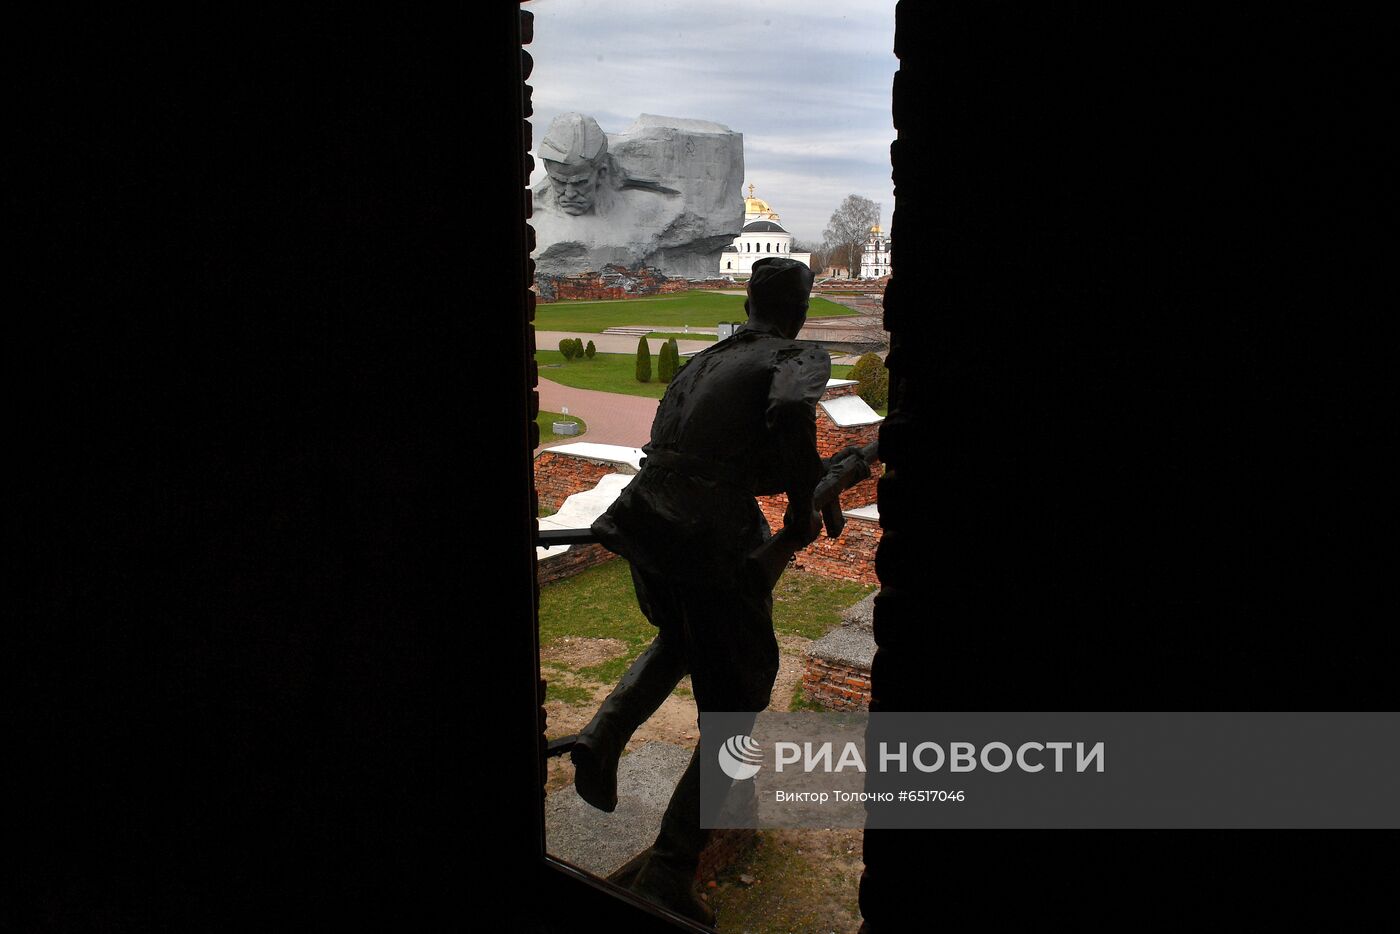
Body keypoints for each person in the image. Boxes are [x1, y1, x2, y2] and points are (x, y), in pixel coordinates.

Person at [573, 256, 830, 924]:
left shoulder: (708, 358)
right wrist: (804, 505)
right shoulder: (795, 352)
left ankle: (602, 734)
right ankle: (668, 870)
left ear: (748, 299)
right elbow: (792, 413)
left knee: (681, 638)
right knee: (739, 703)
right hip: (705, 530)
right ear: (799, 307)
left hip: (644, 517)